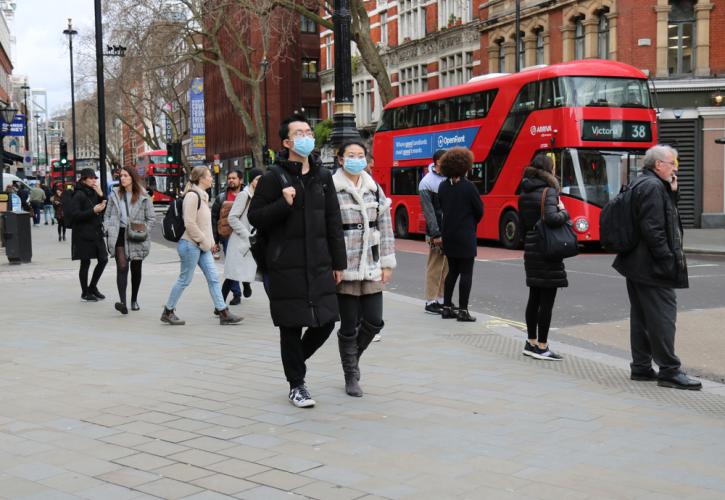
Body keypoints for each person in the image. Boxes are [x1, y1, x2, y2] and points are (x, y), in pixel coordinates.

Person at [248, 114, 346, 408]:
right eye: (299, 133)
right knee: (291, 326)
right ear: (287, 142)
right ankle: (297, 384)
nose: (307, 136)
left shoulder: (323, 177)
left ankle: (294, 362)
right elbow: (256, 218)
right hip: (284, 265)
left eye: (308, 131)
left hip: (318, 263)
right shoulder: (272, 178)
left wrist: (338, 263)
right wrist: (283, 203)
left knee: (327, 321)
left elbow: (333, 221)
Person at [613, 144, 701, 390]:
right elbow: (653, 228)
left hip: (636, 263)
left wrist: (672, 193)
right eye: (673, 163)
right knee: (663, 316)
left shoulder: (642, 182)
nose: (675, 168)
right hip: (651, 265)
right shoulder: (652, 187)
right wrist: (667, 259)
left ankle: (641, 367)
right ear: (659, 164)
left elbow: (660, 215)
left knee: (641, 316)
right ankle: (669, 371)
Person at [333, 141, 396, 397]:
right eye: (351, 155)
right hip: (344, 264)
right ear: (340, 159)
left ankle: (353, 359)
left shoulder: (374, 189)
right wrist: (333, 263)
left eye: (360, 155)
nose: (356, 159)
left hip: (370, 263)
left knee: (374, 320)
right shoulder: (332, 188)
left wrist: (387, 262)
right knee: (349, 325)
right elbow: (327, 230)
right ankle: (351, 375)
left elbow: (385, 225)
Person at [161, 166, 243, 326]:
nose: (212, 178)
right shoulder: (192, 196)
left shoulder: (202, 196)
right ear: (201, 178)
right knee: (184, 279)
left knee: (213, 278)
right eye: (209, 175)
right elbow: (189, 223)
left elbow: (205, 224)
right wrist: (205, 242)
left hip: (201, 246)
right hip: (190, 245)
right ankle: (168, 311)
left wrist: (211, 243)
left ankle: (223, 312)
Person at [518, 154, 569, 361]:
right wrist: (564, 213)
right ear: (549, 170)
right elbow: (552, 218)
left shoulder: (524, 191)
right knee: (547, 300)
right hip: (547, 249)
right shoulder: (548, 192)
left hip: (531, 247)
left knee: (534, 297)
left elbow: (523, 223)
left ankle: (530, 342)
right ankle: (542, 346)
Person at [438, 147, 483, 322]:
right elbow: (479, 211)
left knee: (452, 271)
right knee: (466, 273)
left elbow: (442, 207)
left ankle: (447, 307)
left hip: (448, 234)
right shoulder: (469, 187)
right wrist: (470, 223)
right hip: (465, 235)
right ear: (465, 165)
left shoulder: (442, 186)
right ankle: (463, 310)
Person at [104, 167, 156, 315]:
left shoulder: (143, 195)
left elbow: (151, 218)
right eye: (121, 176)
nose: (122, 178)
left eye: (125, 176)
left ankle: (134, 299)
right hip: (119, 233)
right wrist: (108, 228)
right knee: (121, 266)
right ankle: (123, 302)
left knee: (136, 268)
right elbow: (107, 215)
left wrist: (144, 229)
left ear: (132, 177)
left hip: (136, 234)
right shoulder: (115, 194)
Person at [223, 168, 263, 301]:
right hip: (241, 240)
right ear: (251, 181)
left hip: (252, 241)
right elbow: (232, 218)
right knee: (232, 275)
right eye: (257, 179)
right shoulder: (244, 195)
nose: (261, 181)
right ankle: (220, 305)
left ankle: (246, 285)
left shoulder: (259, 195)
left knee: (247, 269)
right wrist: (247, 235)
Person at [69, 168, 108, 302]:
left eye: (95, 178)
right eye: (91, 178)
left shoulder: (94, 192)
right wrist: (92, 211)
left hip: (96, 232)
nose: (94, 180)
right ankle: (85, 293)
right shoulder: (78, 194)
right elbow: (74, 215)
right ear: (83, 179)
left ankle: (92, 287)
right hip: (83, 233)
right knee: (85, 262)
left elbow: (105, 209)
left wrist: (102, 194)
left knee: (103, 259)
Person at [419, 149, 448, 314]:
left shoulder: (448, 178)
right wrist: (436, 234)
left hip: (448, 230)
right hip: (436, 232)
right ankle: (430, 301)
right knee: (435, 266)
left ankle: (442, 299)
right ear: (437, 162)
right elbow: (429, 212)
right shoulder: (427, 182)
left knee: (446, 268)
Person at [212, 170, 245, 305]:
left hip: (244, 235)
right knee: (232, 265)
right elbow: (214, 218)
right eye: (229, 178)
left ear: (240, 180)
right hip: (227, 236)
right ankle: (236, 293)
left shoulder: (248, 195)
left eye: (234, 178)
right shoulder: (221, 198)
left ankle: (247, 283)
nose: (231, 180)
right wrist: (215, 240)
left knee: (245, 263)